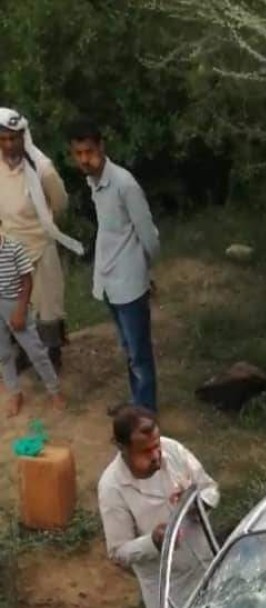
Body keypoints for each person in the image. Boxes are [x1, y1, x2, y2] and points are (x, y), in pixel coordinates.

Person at [98, 406, 219, 608]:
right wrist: (153, 542)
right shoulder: (112, 488)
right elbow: (118, 552)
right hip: (170, 589)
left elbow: (209, 488)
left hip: (207, 561)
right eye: (145, 452)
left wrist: (198, 505)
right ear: (122, 448)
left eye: (157, 446)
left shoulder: (172, 450)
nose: (156, 456)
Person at [67, 118, 160, 412]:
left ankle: (146, 413)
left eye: (89, 152)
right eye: (79, 153)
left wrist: (143, 273)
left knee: (138, 353)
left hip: (129, 282)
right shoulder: (94, 182)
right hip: (109, 280)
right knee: (128, 349)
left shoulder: (124, 184)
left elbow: (149, 235)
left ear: (101, 147)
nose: (85, 159)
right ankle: (137, 404)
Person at [0, 107, 83, 368]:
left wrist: (44, 224)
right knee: (16, 306)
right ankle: (25, 355)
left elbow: (60, 203)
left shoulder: (42, 168)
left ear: (23, 136)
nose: (9, 144)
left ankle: (52, 359)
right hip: (10, 248)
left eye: (14, 137)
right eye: (3, 138)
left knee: (47, 307)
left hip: (40, 246)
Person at [0, 229, 64, 416]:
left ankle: (54, 391)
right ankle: (14, 393)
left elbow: (27, 280)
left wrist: (20, 309)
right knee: (3, 354)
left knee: (35, 351)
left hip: (15, 303)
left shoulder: (13, 247)